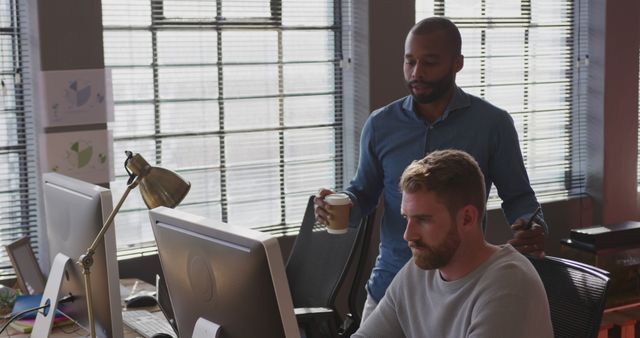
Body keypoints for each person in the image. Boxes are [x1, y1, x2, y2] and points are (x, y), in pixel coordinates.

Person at [314, 16, 547, 320]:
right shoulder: (380, 125)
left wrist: (534, 224)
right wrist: (339, 207)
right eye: (409, 62)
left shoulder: (493, 125)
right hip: (391, 284)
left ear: (457, 63)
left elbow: (519, 197)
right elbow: (364, 193)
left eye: (430, 62)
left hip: (461, 290)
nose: (416, 73)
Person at [352, 149, 553, 338]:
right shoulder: (418, 270)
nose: (408, 235)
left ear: (467, 218)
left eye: (423, 220)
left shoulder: (508, 284)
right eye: (407, 219)